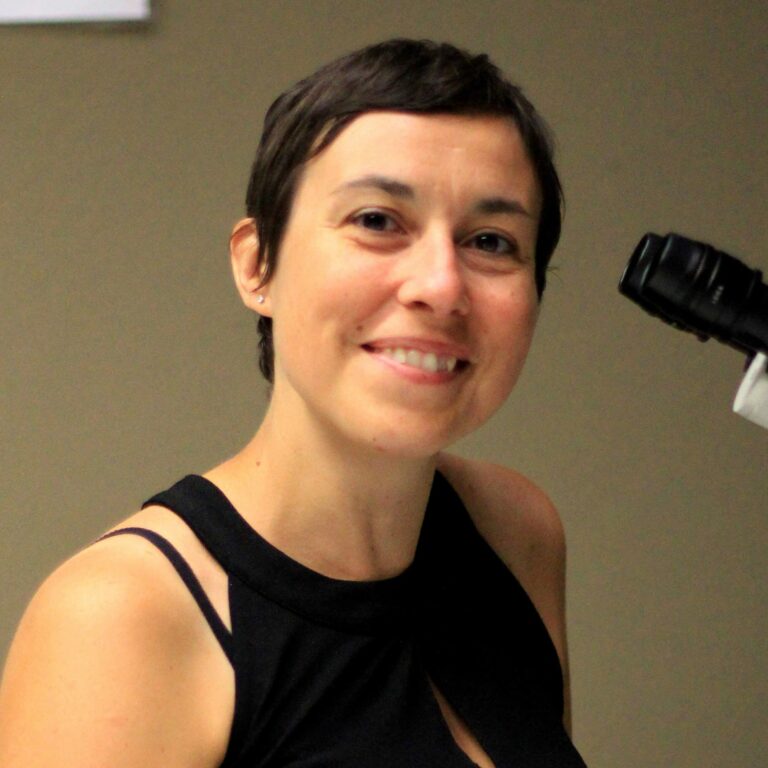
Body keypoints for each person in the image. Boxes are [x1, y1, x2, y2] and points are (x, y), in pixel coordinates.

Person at [0, 39, 585, 767]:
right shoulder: (119, 620)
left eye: (491, 241)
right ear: (258, 265)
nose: (441, 285)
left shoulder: (514, 529)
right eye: (377, 221)